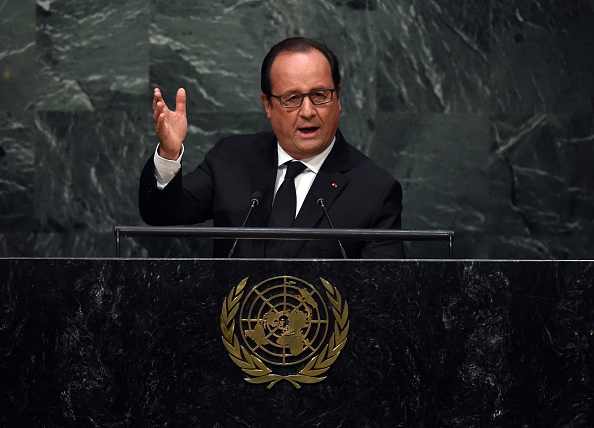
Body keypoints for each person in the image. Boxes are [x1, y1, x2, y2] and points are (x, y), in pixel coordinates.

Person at [139, 37, 405, 259]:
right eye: (292, 99)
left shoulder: (375, 191)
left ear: (338, 98)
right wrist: (169, 155)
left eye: (320, 95)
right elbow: (161, 213)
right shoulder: (230, 159)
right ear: (268, 105)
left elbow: (382, 299)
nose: (308, 111)